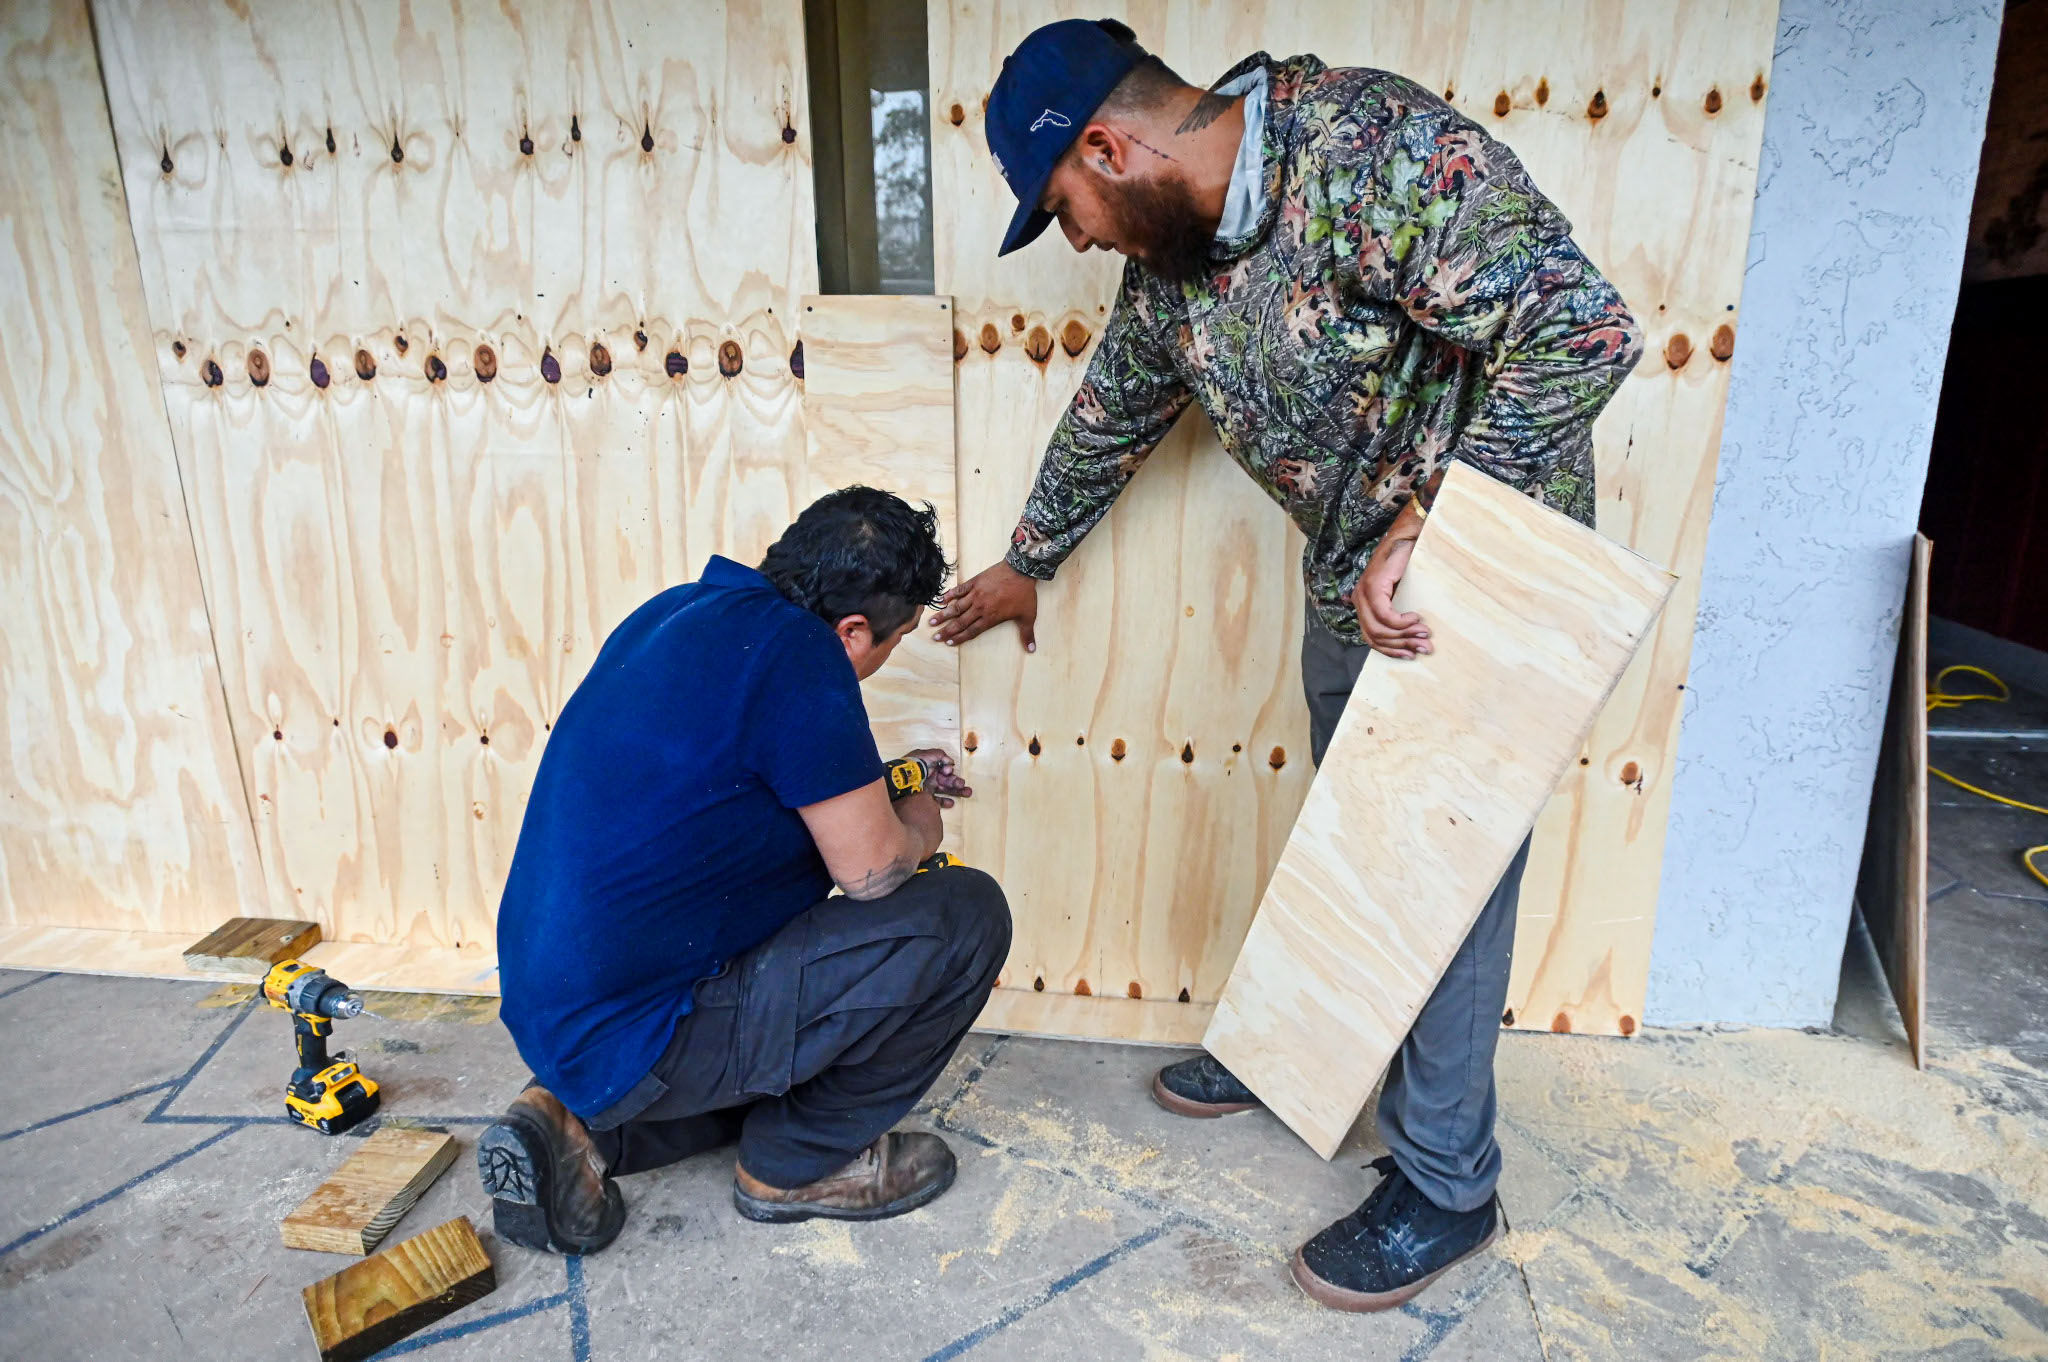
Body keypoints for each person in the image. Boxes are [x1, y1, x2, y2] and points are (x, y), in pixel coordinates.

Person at [928, 19, 1643, 1312]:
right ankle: (1313, 1048)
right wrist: (1029, 559)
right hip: (1351, 577)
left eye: (1066, 207)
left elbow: (1582, 331)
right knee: (1360, 844)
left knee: (1446, 871)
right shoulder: (1178, 262)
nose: (1076, 237)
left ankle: (1445, 1182)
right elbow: (1117, 410)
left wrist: (1439, 523)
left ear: (1111, 144)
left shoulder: (1370, 157)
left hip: (1479, 576)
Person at [481, 487, 1010, 1255]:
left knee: (767, 1039)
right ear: (853, 631)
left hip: (563, 1016)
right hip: (647, 1027)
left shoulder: (674, 614)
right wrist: (921, 819)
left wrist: (889, 779)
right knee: (967, 914)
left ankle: (572, 1121)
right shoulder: (801, 654)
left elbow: (733, 798)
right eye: (889, 646)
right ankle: (796, 1166)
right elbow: (871, 873)